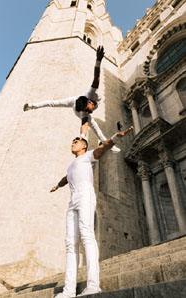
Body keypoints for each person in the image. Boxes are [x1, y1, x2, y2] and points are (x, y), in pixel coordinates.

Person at [50, 126, 133, 298]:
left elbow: (103, 148)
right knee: (70, 243)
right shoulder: (72, 164)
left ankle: (93, 285)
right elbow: (66, 178)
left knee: (87, 235)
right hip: (72, 200)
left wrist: (115, 137)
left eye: (77, 141)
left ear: (84, 147)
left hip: (85, 195)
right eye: (73, 141)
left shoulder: (89, 156)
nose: (73, 143)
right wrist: (57, 186)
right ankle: (69, 290)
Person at [23, 46, 120, 153]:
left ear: (89, 102)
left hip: (77, 100)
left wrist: (98, 60)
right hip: (75, 105)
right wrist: (82, 137)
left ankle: (110, 146)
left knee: (96, 129)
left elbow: (96, 77)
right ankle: (31, 106)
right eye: (87, 112)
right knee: (95, 127)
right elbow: (85, 124)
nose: (89, 112)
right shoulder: (83, 113)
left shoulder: (91, 93)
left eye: (88, 110)